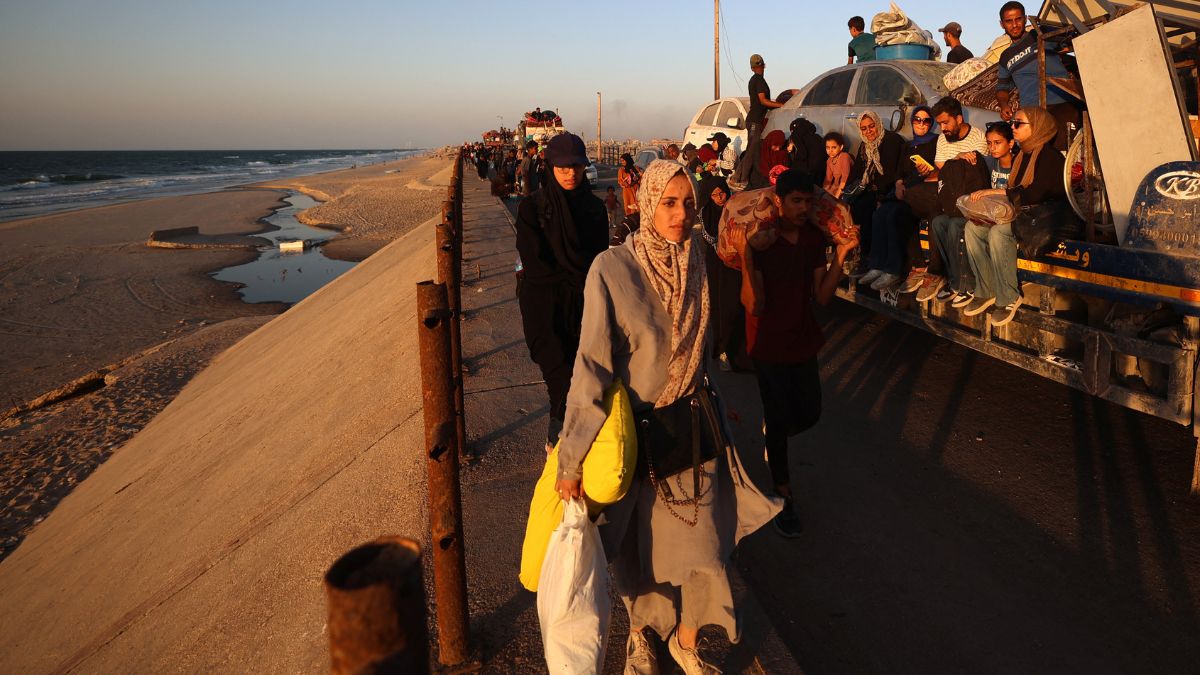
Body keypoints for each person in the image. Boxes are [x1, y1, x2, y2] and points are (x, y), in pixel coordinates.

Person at [555, 160, 780, 674]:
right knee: (642, 551)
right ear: (647, 202)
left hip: (693, 427)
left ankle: (685, 638)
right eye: (668, 202)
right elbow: (591, 367)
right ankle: (640, 636)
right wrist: (571, 458)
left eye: (687, 203)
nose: (679, 215)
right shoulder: (611, 270)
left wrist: (716, 397)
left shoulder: (697, 257)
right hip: (637, 436)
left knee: (705, 547)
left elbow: (701, 347)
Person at [741, 168, 859, 537]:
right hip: (767, 342)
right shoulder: (763, 242)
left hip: (803, 337)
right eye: (796, 201)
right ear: (779, 201)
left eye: (808, 201)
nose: (803, 208)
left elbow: (822, 296)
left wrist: (841, 253)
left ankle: (773, 437)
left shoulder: (810, 239)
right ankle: (783, 496)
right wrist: (747, 254)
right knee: (777, 418)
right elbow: (753, 304)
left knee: (810, 412)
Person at [515, 133, 609, 453]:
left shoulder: (595, 209)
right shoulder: (533, 208)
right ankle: (560, 444)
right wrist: (575, 278)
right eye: (564, 167)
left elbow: (598, 260)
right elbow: (535, 264)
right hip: (544, 307)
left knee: (581, 378)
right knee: (561, 379)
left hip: (585, 306)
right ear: (551, 166)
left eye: (577, 167)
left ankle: (561, 443)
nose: (571, 173)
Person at [963, 107, 1064, 326]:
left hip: (1042, 218)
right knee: (972, 228)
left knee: (999, 232)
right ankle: (986, 288)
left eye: (1018, 124)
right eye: (1013, 123)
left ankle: (1009, 296)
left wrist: (995, 192)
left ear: (1036, 127)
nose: (1013, 127)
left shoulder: (1049, 157)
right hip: (1022, 214)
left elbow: (1034, 194)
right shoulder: (1023, 155)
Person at [860, 106, 941, 291]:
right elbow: (899, 172)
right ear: (912, 121)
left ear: (931, 123)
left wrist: (930, 172)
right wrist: (898, 184)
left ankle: (893, 270)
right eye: (917, 120)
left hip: (923, 193)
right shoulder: (908, 146)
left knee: (893, 215)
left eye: (926, 120)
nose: (921, 124)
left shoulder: (936, 142)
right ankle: (877, 264)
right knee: (880, 214)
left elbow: (940, 168)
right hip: (905, 191)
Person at [920, 96, 989, 304]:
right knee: (938, 221)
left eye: (945, 122)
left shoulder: (978, 138)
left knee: (954, 225)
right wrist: (958, 157)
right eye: (940, 123)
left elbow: (975, 172)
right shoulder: (944, 138)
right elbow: (942, 165)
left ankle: (965, 284)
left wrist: (954, 163)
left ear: (959, 119)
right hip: (948, 196)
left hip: (972, 200)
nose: (942, 128)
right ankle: (951, 278)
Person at [995, 1, 1082, 150]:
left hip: (1063, 101)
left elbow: (1073, 38)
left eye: (1018, 19)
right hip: (1033, 111)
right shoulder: (1005, 57)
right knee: (1040, 153)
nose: (1015, 25)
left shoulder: (1040, 33)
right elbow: (1001, 88)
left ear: (1025, 18)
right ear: (1002, 24)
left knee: (1070, 150)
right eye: (1009, 21)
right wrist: (1004, 105)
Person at [698, 174, 746, 373]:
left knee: (736, 303)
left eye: (722, 193)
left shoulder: (735, 207)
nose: (720, 198)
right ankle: (723, 349)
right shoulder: (705, 212)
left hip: (734, 264)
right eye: (715, 195)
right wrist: (724, 245)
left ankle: (738, 351)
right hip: (717, 264)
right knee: (720, 304)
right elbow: (708, 236)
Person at [729, 54, 796, 190]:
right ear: (758, 67)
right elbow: (763, 100)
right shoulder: (758, 80)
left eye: (759, 66)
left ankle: (743, 178)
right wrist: (781, 105)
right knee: (752, 150)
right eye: (758, 66)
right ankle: (738, 178)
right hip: (755, 120)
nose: (759, 68)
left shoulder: (755, 80)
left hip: (755, 119)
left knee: (753, 150)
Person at [849, 111, 905, 267]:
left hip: (888, 189)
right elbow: (857, 173)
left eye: (872, 126)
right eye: (864, 128)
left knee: (866, 207)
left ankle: (871, 257)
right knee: (852, 205)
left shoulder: (891, 141)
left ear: (878, 124)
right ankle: (861, 253)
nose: (869, 132)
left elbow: (892, 173)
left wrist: (878, 194)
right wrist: (846, 194)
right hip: (870, 189)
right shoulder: (864, 146)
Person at [787, 118, 826, 184]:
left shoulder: (796, 136)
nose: (792, 133)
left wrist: (790, 151)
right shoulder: (818, 137)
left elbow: (802, 154)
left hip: (806, 176)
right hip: (821, 175)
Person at [823, 132, 852, 199]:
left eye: (834, 147)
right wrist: (823, 193)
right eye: (828, 148)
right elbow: (828, 179)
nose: (830, 151)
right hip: (835, 187)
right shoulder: (829, 160)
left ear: (841, 147)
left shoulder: (844, 156)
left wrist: (836, 197)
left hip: (845, 188)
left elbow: (845, 178)